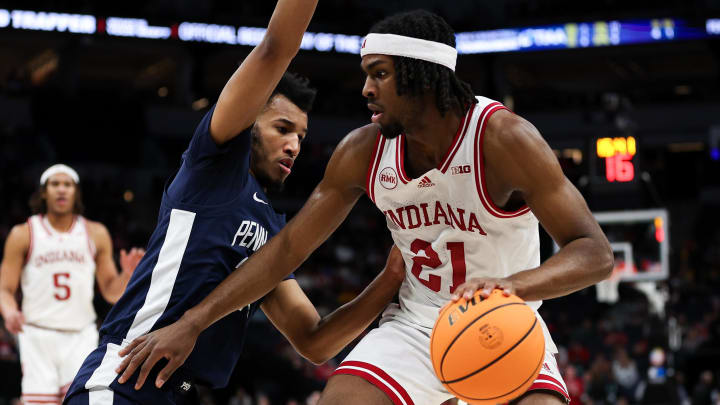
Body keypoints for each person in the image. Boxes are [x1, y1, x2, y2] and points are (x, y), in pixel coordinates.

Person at [116, 10, 614, 405]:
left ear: (420, 77)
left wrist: (513, 286)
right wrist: (193, 321)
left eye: (379, 74)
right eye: (365, 74)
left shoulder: (504, 139)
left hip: (505, 321)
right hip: (416, 326)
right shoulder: (363, 152)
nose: (365, 89)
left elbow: (594, 252)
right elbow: (287, 248)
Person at [63, 1, 406, 404]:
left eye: (302, 136)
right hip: (126, 378)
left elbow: (315, 341)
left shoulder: (273, 231)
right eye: (282, 128)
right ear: (249, 125)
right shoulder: (214, 165)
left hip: (187, 393)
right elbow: (274, 48)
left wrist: (390, 279)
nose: (295, 145)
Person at [0, 164, 145, 404]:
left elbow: (110, 291)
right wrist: (9, 311)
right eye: (55, 184)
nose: (61, 190)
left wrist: (126, 276)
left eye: (67, 184)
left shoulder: (95, 233)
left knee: (79, 400)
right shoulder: (23, 233)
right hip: (37, 333)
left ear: (76, 192)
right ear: (44, 192)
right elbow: (5, 288)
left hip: (81, 334)